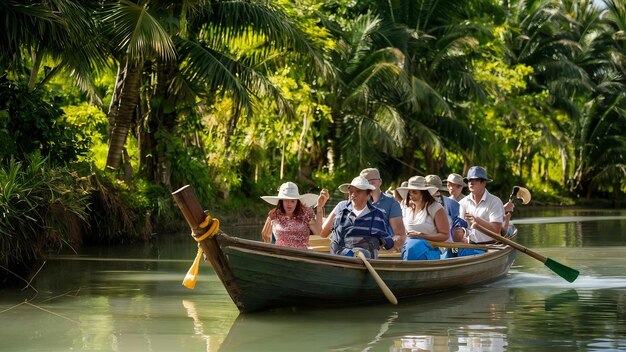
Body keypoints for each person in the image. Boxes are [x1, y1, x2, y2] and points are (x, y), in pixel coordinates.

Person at [320, 176, 395, 259]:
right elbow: (335, 246)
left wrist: (378, 241)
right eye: (351, 192)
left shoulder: (378, 216)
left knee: (367, 250)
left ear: (368, 195)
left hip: (369, 264)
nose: (353, 195)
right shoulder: (342, 215)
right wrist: (352, 254)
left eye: (358, 191)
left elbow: (389, 244)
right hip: (345, 263)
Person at [453, 166, 504, 256]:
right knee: (452, 251)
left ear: (483, 182)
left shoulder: (495, 202)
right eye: (469, 180)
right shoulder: (462, 203)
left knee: (463, 253)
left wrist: (477, 220)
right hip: (469, 245)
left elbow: (496, 229)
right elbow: (461, 228)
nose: (471, 183)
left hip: (489, 246)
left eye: (475, 180)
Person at [261, 182, 329, 249]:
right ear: (281, 201)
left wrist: (319, 208)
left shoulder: (306, 213)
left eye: (292, 201)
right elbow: (265, 237)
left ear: (297, 201)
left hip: (301, 256)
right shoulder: (274, 214)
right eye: (286, 200)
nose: (289, 204)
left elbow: (319, 232)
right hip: (280, 255)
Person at [396, 176, 450, 260]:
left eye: (414, 192)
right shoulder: (405, 207)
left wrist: (422, 236)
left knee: (412, 248)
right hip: (407, 247)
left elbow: (445, 235)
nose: (411, 194)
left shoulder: (436, 208)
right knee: (410, 247)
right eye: (409, 192)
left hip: (428, 249)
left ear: (424, 193)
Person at [359, 168, 406, 250]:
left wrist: (390, 242)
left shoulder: (391, 202)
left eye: (373, 182)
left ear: (380, 182)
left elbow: (400, 235)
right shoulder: (357, 201)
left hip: (383, 246)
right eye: (366, 182)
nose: (370, 185)